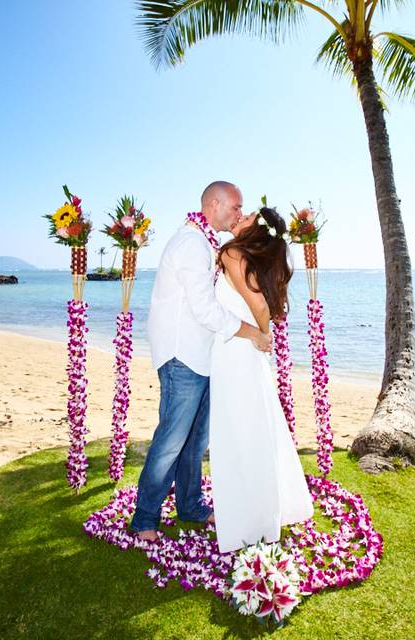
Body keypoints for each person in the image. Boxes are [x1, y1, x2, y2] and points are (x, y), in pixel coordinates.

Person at [130, 181, 272, 542]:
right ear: (214, 203)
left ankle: (190, 506)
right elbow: (205, 310)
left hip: (204, 355)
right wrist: (251, 332)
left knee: (196, 440)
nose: (239, 213)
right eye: (235, 207)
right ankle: (145, 517)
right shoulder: (192, 244)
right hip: (182, 355)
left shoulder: (205, 242)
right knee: (172, 440)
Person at [210, 206, 314, 553]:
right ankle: (255, 508)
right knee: (252, 426)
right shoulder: (249, 258)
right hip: (241, 350)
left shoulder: (231, 253)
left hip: (236, 351)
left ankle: (246, 516)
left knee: (238, 430)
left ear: (258, 229)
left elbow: (259, 305)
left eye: (248, 215)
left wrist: (262, 334)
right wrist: (259, 336)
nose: (240, 216)